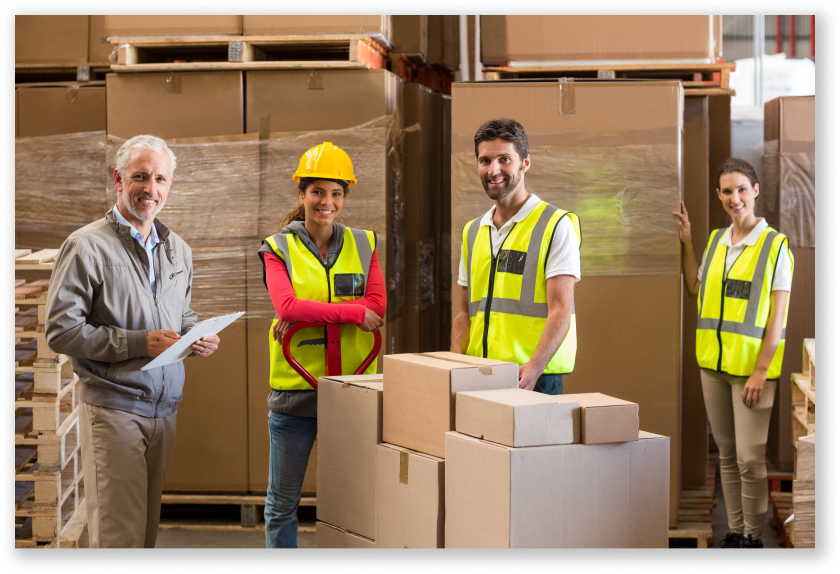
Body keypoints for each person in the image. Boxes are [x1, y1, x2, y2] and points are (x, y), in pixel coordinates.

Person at [45, 135, 221, 548]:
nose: (151, 188)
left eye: (160, 178)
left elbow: (180, 315)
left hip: (164, 410)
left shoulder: (178, 250)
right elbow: (61, 331)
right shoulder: (86, 246)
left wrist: (197, 337)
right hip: (114, 408)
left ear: (170, 185)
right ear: (118, 179)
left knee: (144, 538)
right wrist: (140, 343)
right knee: (118, 538)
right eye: (140, 176)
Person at [257, 142, 386, 548]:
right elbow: (288, 306)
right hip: (295, 398)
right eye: (317, 191)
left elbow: (378, 307)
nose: (326, 202)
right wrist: (351, 312)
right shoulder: (277, 248)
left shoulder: (365, 244)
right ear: (301, 194)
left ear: (344, 197)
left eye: (336, 193)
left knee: (352, 501)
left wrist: (308, 312)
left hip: (351, 394)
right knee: (282, 504)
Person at [673, 158, 793, 549]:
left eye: (741, 189)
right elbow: (696, 291)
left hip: (751, 374)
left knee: (749, 459)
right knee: (726, 455)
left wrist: (761, 371)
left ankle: (753, 538)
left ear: (755, 190)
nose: (734, 198)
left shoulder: (775, 247)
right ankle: (736, 532)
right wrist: (688, 242)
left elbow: (777, 318)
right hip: (713, 367)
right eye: (726, 191)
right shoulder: (717, 243)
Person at [450, 118, 581, 394]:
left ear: (525, 163)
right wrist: (454, 361)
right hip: (479, 374)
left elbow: (561, 309)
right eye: (485, 161)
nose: (493, 170)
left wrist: (535, 366)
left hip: (533, 378)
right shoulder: (472, 232)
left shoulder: (556, 225)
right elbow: (465, 312)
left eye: (504, 159)